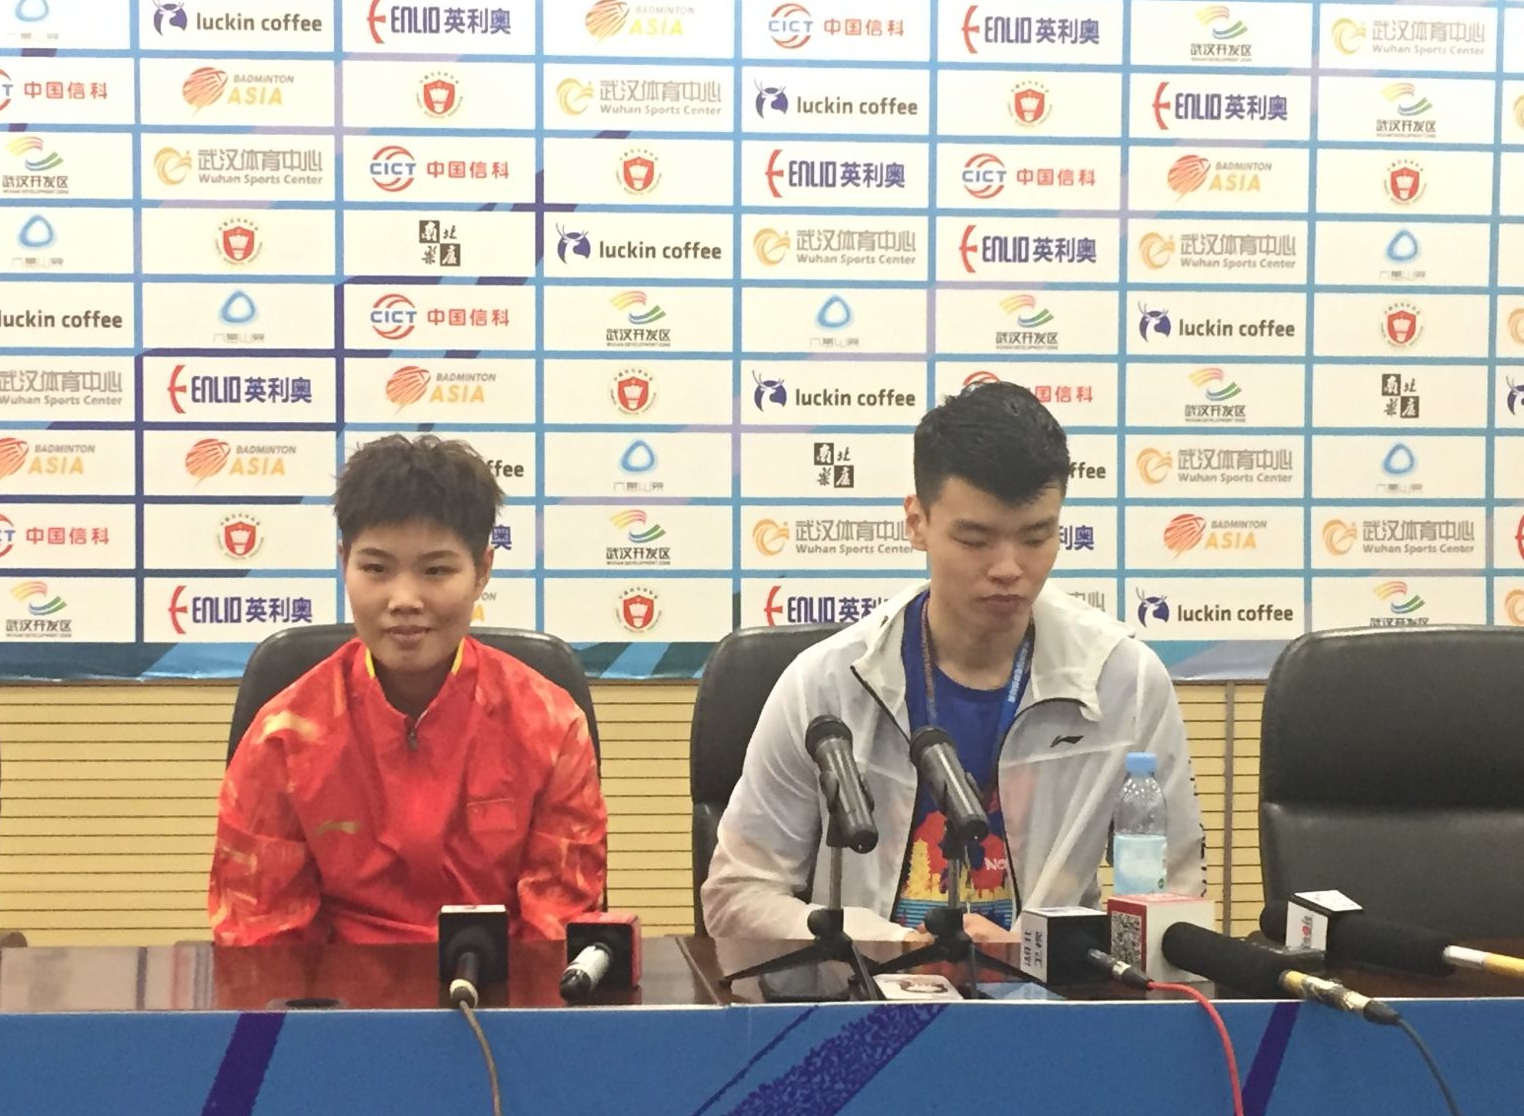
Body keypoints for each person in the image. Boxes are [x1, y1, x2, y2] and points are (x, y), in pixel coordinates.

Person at [702, 380, 1205, 942]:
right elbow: (736, 894)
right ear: (917, 522)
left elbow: (1176, 900)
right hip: (866, 986)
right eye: (975, 540)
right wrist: (881, 942)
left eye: (1036, 537)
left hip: (1047, 993)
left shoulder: (1126, 682)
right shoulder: (824, 685)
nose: (1008, 568)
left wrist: (1041, 951)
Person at [210, 433, 607, 944]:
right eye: (376, 568)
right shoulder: (283, 737)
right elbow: (260, 940)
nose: (403, 599)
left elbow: (558, 931)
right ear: (344, 563)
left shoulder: (550, 726)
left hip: (502, 987)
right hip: (331, 988)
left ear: (482, 572)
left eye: (436, 570)